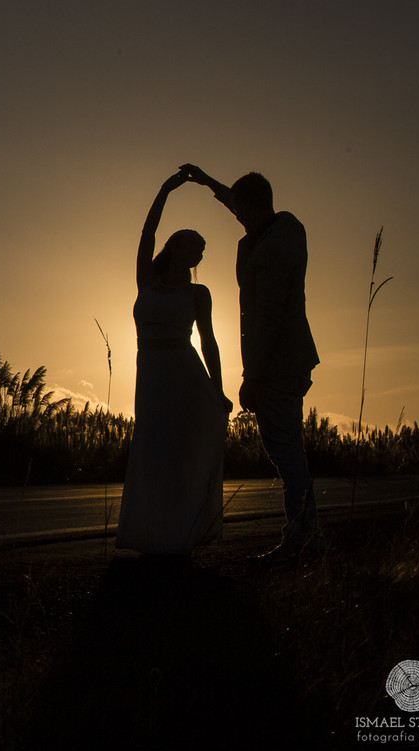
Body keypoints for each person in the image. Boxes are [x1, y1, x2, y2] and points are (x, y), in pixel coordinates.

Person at [179, 164, 326, 559]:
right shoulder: (270, 231)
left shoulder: (277, 244)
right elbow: (236, 201)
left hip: (279, 362)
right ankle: (304, 536)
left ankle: (305, 538)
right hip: (283, 361)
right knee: (287, 448)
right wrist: (207, 181)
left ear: (255, 206)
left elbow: (269, 316)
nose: (236, 215)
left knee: (285, 451)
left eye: (241, 209)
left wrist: (253, 377)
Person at [115, 170, 232, 556]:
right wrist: (166, 189)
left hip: (186, 373)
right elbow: (147, 233)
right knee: (152, 446)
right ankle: (149, 531)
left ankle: (182, 532)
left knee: (181, 451)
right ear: (176, 247)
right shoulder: (147, 279)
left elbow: (209, 342)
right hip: (151, 373)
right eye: (193, 245)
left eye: (202, 250)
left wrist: (218, 390)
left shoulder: (198, 293)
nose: (198, 253)